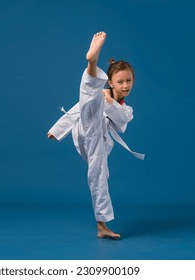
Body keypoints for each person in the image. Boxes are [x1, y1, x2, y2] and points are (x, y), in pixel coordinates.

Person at [47, 31, 144, 240]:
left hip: (98, 140)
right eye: (120, 82)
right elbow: (78, 108)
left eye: (128, 81)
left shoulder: (127, 109)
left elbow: (123, 121)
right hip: (86, 127)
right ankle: (92, 62)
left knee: (99, 176)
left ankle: (102, 226)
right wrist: (58, 130)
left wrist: (110, 103)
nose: (125, 85)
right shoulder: (103, 93)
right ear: (110, 81)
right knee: (90, 97)